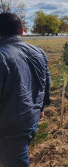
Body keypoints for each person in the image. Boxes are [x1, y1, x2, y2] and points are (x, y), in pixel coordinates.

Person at [0, 13, 51, 167]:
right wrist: (42, 107)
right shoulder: (39, 52)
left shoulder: (2, 56)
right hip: (31, 119)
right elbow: (47, 82)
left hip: (9, 128)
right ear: (21, 31)